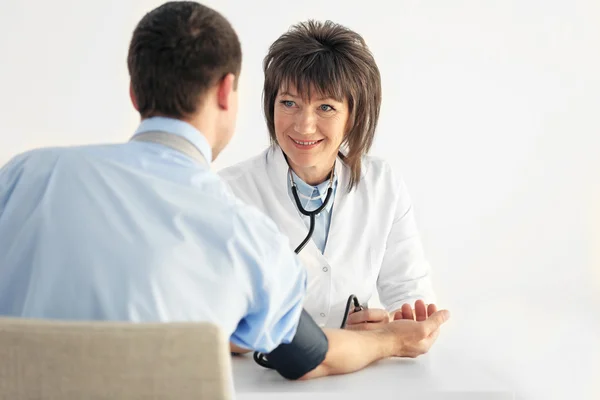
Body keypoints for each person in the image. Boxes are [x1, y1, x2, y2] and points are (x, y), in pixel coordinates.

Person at [0, 1, 449, 381]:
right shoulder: (240, 227)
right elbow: (310, 358)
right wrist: (391, 338)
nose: (303, 123)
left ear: (135, 93)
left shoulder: (22, 175)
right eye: (288, 102)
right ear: (228, 92)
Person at [220, 20, 436, 331]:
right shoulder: (229, 192)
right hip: (261, 375)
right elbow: (215, 311)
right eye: (289, 103)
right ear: (271, 106)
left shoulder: (382, 186)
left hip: (355, 374)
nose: (304, 125)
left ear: (353, 116)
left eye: (325, 107)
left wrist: (389, 323)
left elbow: (411, 295)